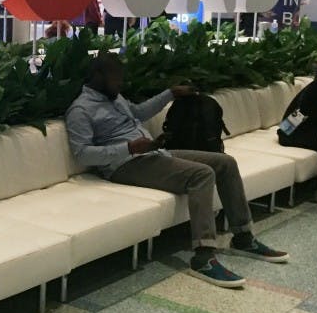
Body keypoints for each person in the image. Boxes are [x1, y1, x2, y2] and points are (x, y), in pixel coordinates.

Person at [67, 53, 288, 289]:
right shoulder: (80, 110)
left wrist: (170, 94)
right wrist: (129, 148)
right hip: (125, 165)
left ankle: (243, 237)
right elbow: (82, 154)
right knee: (202, 174)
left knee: (226, 163)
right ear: (98, 76)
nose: (120, 83)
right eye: (115, 78)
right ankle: (203, 256)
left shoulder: (114, 97)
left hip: (152, 153)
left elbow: (138, 112)